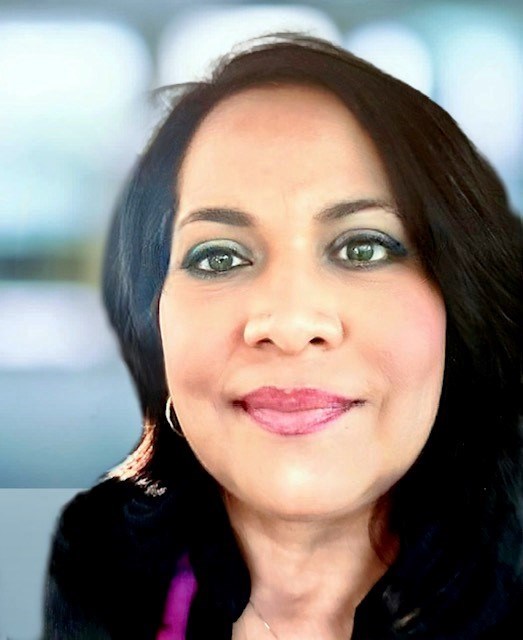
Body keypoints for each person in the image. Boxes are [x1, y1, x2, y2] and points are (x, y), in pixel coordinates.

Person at [42, 34, 522, 639]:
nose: (291, 326)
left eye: (363, 248)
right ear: (153, 329)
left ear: (461, 303)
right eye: (219, 258)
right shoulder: (67, 583)